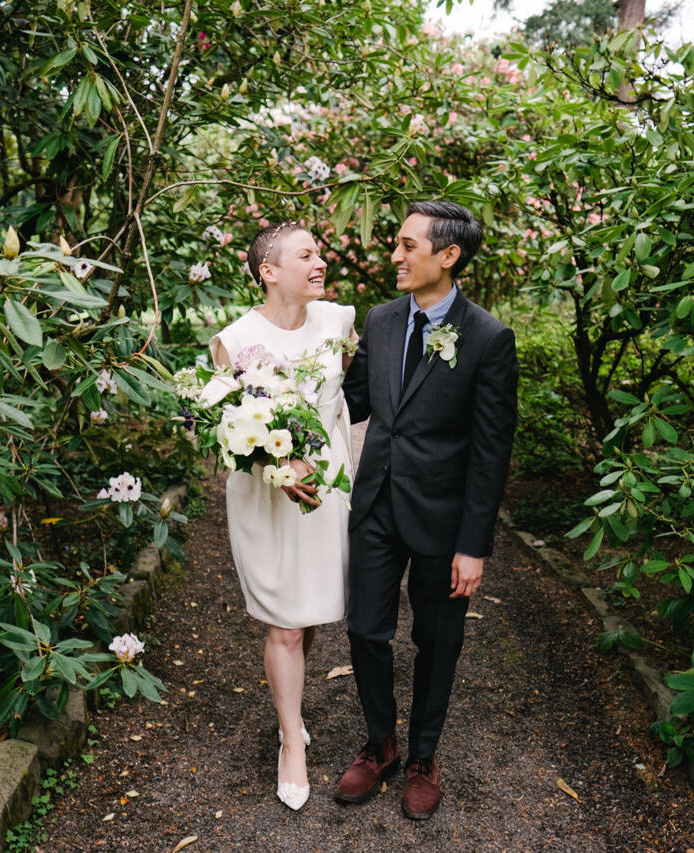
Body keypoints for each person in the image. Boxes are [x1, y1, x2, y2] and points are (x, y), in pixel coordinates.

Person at [336, 200, 518, 819]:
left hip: (444, 519)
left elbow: (492, 451)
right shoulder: (381, 321)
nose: (394, 256)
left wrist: (474, 546)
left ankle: (423, 755)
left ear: (448, 256)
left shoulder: (490, 338)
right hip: (377, 506)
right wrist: (279, 394)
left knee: (438, 641)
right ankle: (381, 742)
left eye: (408, 246)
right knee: (365, 629)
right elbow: (350, 403)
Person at [209, 220, 357, 811]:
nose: (321, 262)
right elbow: (221, 425)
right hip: (266, 492)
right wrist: (275, 457)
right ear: (269, 272)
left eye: (320, 252)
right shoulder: (234, 340)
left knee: (313, 608)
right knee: (286, 622)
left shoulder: (338, 321)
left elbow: (352, 395)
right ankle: (291, 738)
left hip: (327, 486)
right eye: (306, 255)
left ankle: (288, 710)